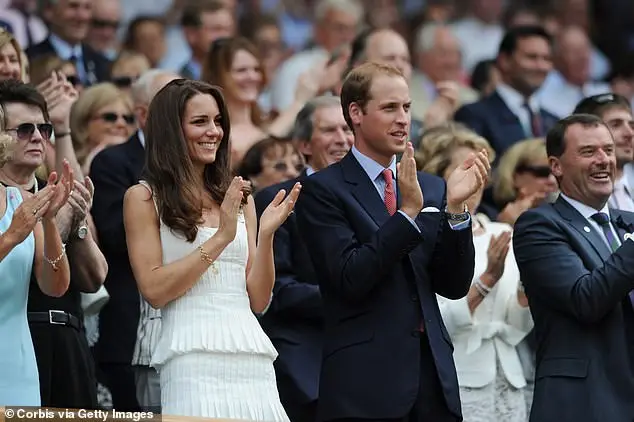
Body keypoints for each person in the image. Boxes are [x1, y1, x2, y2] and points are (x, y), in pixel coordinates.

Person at [296, 62, 490, 422]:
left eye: (406, 107)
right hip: (364, 385)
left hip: (433, 380)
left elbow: (452, 285)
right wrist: (407, 214)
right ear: (356, 113)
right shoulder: (323, 190)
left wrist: (456, 211)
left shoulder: (431, 186)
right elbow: (349, 278)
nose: (402, 119)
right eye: (389, 108)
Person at [123, 78, 299, 420]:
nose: (214, 131)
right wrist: (222, 237)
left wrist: (266, 235)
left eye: (218, 121)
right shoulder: (143, 197)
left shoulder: (237, 196)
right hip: (190, 354)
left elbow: (259, 300)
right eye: (200, 122)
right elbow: (155, 290)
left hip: (250, 352)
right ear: (172, 130)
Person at [513, 113, 634, 422]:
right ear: (556, 166)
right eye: (588, 152)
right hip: (584, 404)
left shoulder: (629, 224)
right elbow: (586, 299)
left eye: (607, 150)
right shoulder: (539, 225)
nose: (603, 160)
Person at [255, 95, 354, 422]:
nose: (341, 139)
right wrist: (348, 294)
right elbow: (275, 288)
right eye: (329, 130)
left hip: (370, 359)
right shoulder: (277, 199)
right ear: (304, 145)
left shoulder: (375, 195)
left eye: (346, 128)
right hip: (307, 363)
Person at [91, 69, 179, 412]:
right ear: (143, 114)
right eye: (172, 103)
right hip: (130, 334)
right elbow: (116, 237)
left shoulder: (205, 167)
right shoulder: (113, 162)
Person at [0, 79, 73, 405]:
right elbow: (13, 237)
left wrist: (49, 221)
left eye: (43, 129)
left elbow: (54, 286)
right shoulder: (19, 217)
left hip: (19, 366)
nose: (36, 137)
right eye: (23, 129)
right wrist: (12, 236)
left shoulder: (22, 201)